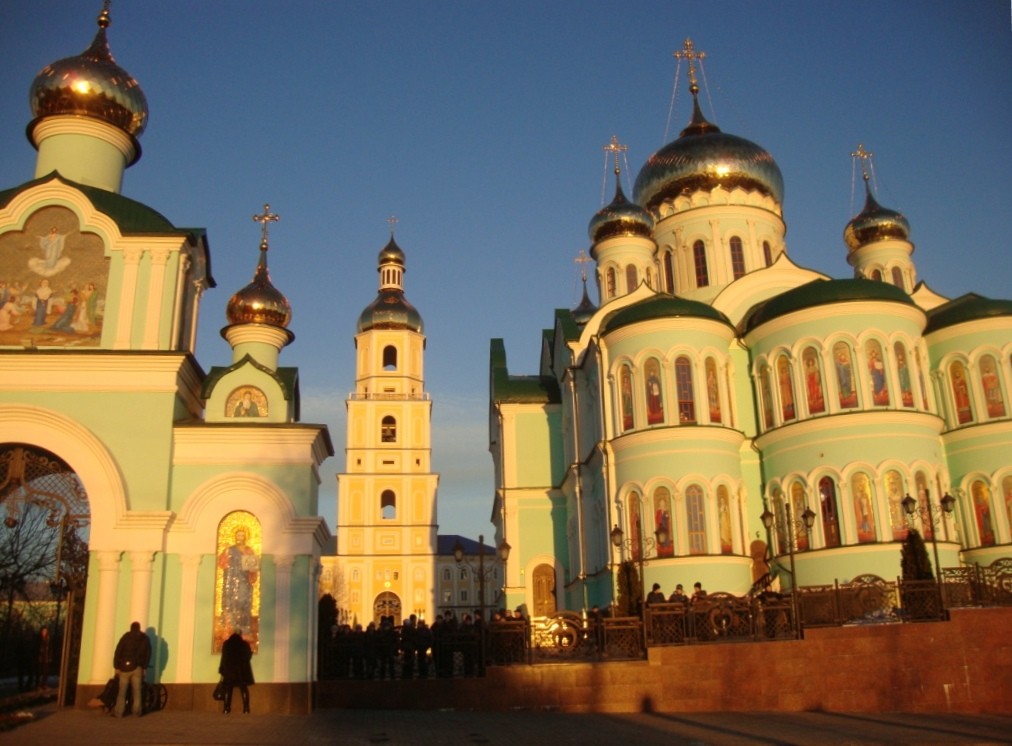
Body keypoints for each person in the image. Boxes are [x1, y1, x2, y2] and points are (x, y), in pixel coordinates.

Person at [218, 528, 258, 635]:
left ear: (245, 537)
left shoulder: (248, 550)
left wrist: (251, 570)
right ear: (235, 536)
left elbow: (253, 567)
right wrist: (226, 553)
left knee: (242, 601)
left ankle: (243, 628)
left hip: (244, 579)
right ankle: (230, 628)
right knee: (230, 602)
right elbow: (221, 563)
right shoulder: (230, 549)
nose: (240, 537)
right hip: (231, 579)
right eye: (238, 535)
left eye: (242, 535)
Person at [112, 621, 151, 717]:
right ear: (139, 628)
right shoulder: (144, 638)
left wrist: (116, 666)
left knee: (122, 691)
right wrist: (145, 667)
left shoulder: (125, 637)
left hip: (124, 668)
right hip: (137, 667)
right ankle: (137, 711)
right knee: (137, 691)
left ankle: (119, 712)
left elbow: (118, 651)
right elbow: (148, 653)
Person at [218, 630, 254, 714]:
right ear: (240, 635)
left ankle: (226, 709)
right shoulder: (244, 644)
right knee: (243, 688)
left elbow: (224, 657)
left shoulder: (226, 644)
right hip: (241, 671)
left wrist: (222, 669)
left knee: (228, 689)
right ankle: (246, 709)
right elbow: (248, 657)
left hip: (229, 670)